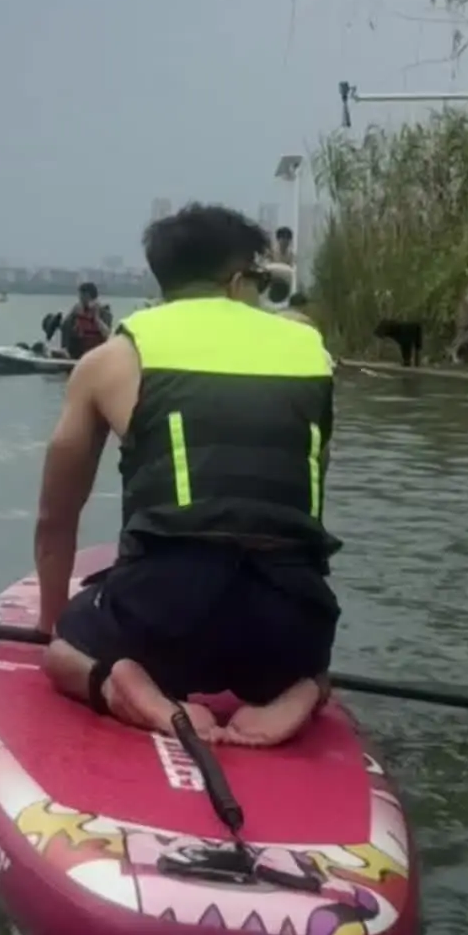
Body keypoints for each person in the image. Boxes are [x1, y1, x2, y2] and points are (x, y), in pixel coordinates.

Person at [34, 202, 339, 747]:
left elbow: (56, 517)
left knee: (63, 653)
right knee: (306, 653)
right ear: (238, 281)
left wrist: (54, 627)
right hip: (288, 622)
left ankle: (122, 686)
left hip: (163, 615)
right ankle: (307, 687)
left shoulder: (111, 359)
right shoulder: (309, 352)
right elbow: (302, 494)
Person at [59, 281, 113, 360]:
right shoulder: (78, 310)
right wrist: (72, 314)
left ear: (88, 296)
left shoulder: (104, 311)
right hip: (79, 350)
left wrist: (96, 318)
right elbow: (65, 327)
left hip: (97, 351)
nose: (80, 299)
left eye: (83, 296)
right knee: (66, 324)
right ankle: (65, 352)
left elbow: (108, 334)